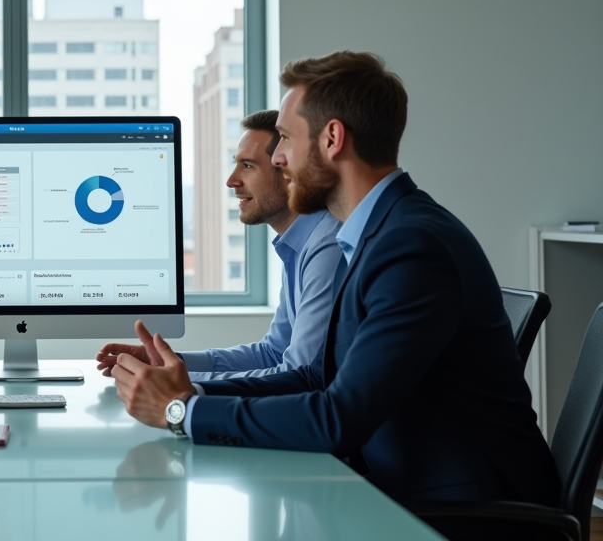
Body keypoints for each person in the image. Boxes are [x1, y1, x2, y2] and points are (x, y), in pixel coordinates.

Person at [110, 51, 559, 506]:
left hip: (465, 510)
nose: (279, 159)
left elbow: (338, 418)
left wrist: (182, 411)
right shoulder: (375, 232)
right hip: (403, 484)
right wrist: (191, 390)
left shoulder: (411, 246)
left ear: (332, 139)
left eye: (285, 138)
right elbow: (314, 376)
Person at [96, 109, 341, 381]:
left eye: (247, 166)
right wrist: (170, 363)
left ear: (288, 170)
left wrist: (178, 382)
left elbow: (298, 376)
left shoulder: (327, 247)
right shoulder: (297, 245)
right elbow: (272, 353)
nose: (231, 181)